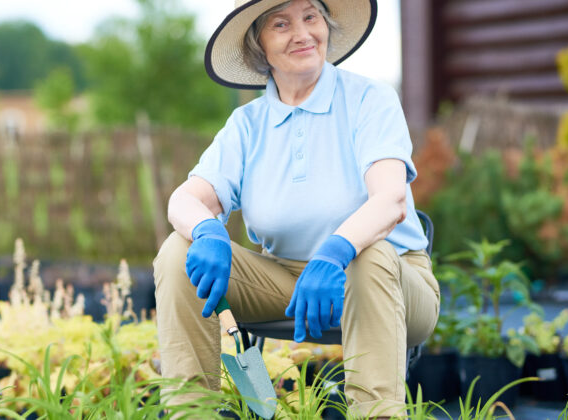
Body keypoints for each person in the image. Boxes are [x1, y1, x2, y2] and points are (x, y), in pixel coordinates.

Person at [152, 0, 440, 417]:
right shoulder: (247, 125)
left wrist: (336, 251)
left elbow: (391, 200)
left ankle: (378, 413)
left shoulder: (369, 98)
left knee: (370, 253)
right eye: (281, 23)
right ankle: (190, 412)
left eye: (311, 17)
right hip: (285, 282)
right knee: (178, 253)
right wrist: (208, 232)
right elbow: (184, 198)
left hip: (389, 280)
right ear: (258, 45)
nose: (303, 33)